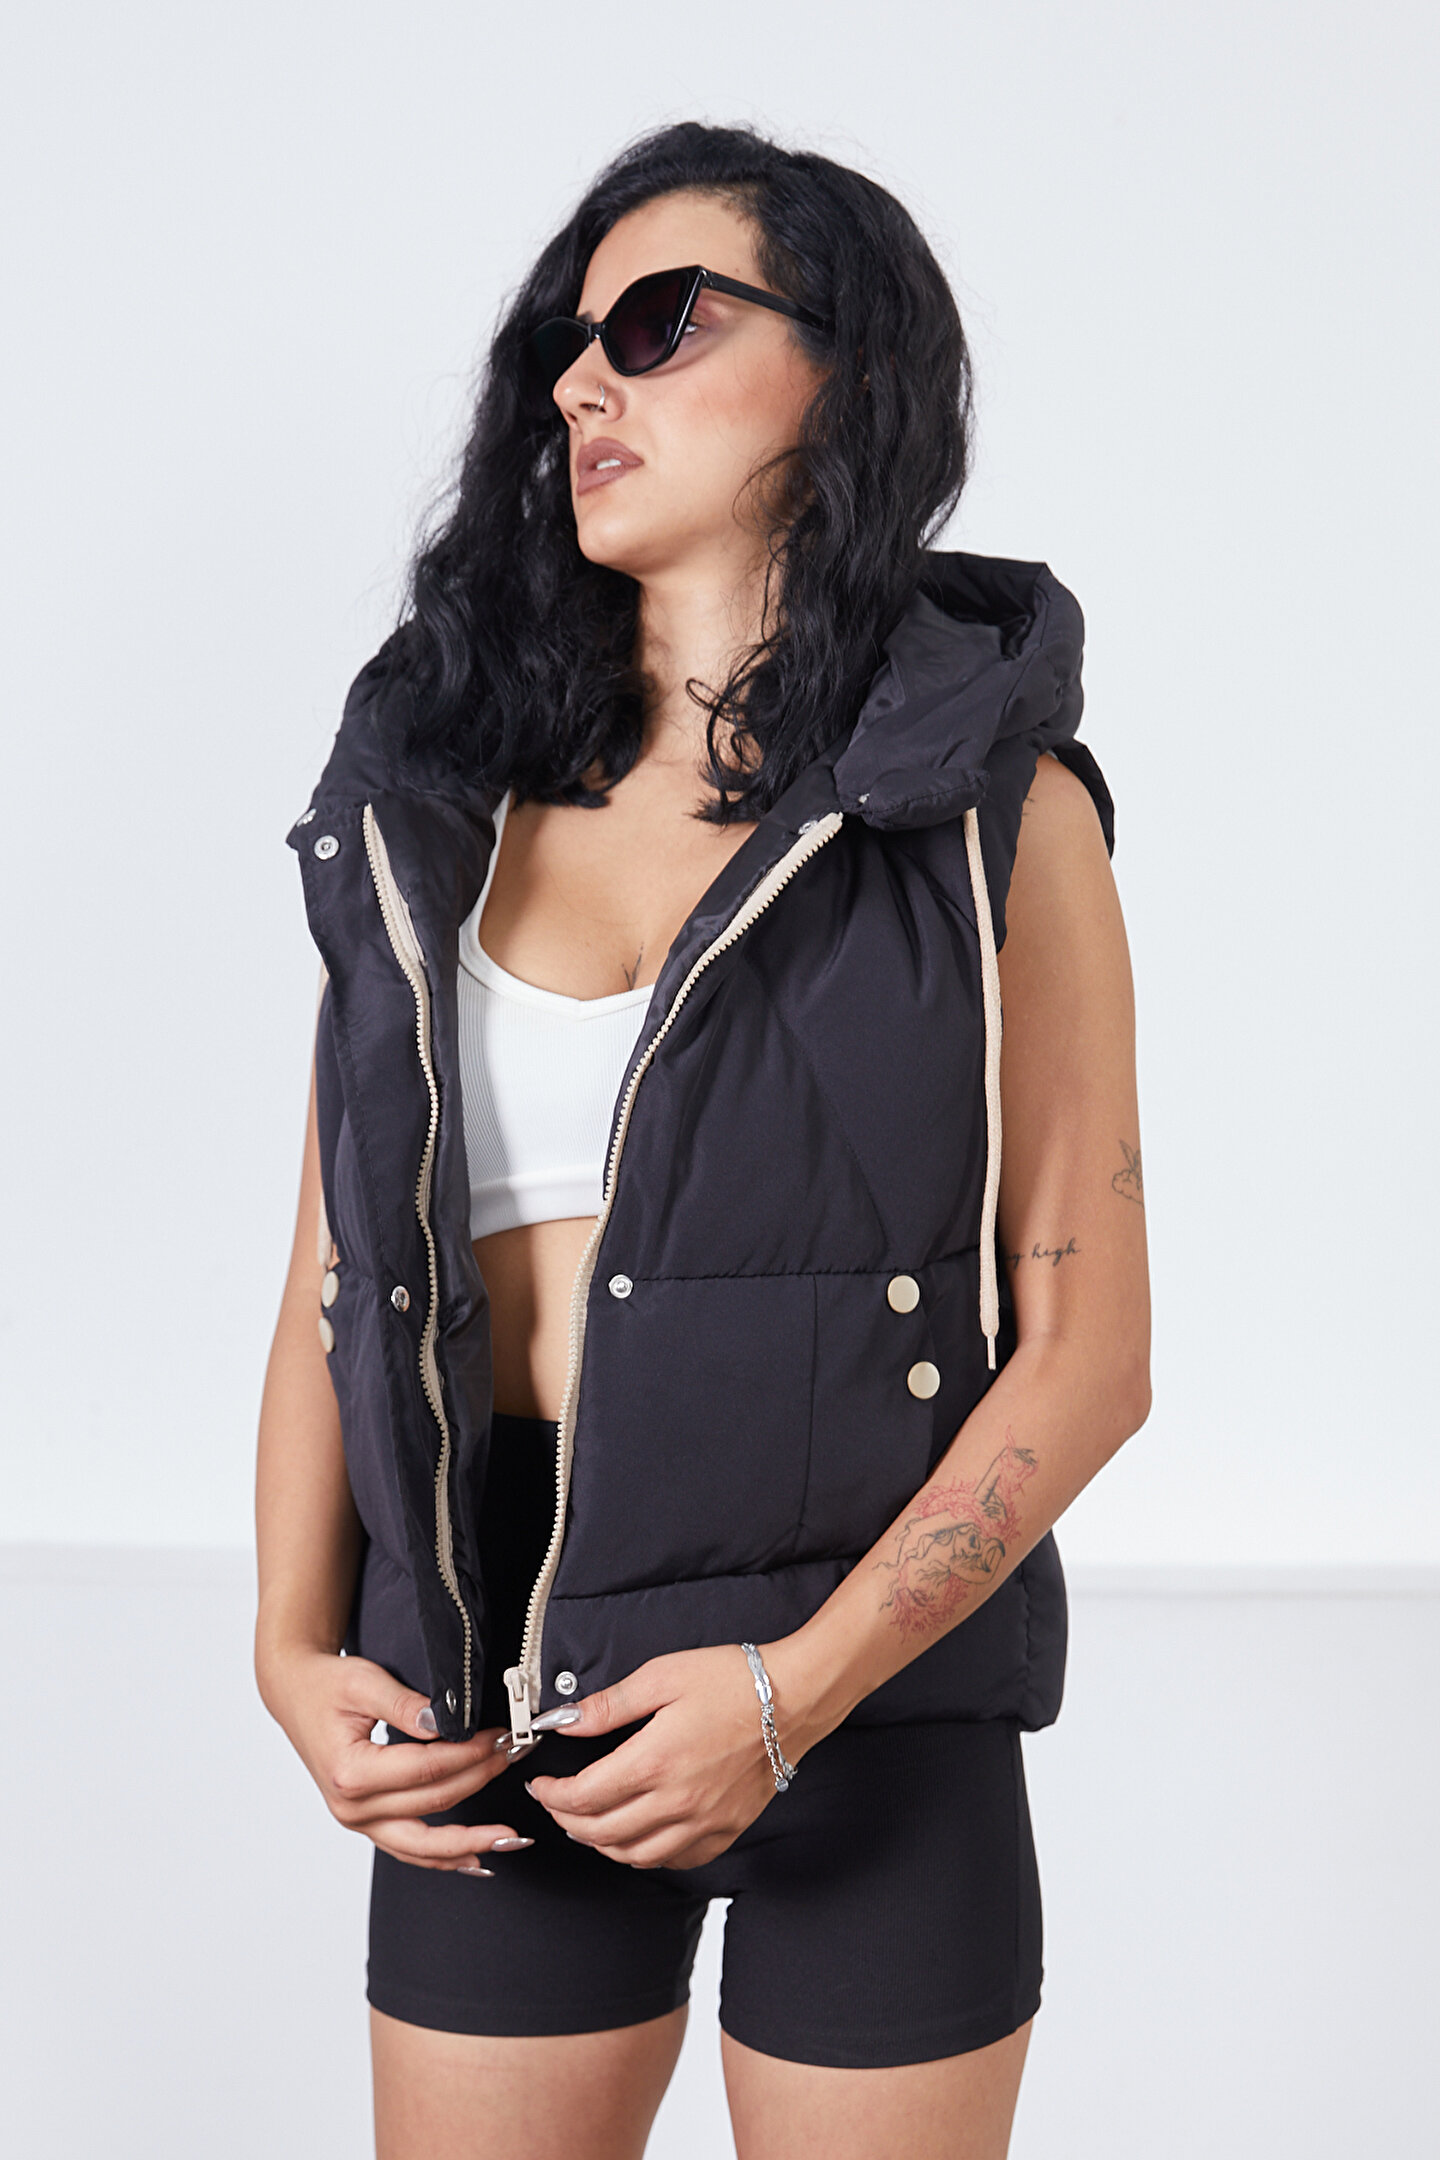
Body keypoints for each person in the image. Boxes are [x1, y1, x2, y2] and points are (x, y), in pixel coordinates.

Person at [255, 121, 1151, 2160]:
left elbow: (1092, 1352)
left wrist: (791, 1691)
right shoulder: (435, 800)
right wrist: (289, 1644)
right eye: (569, 345)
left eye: (661, 324)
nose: (587, 381)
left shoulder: (997, 818)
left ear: (850, 366)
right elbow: (331, 1271)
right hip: (485, 1692)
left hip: (870, 1704)